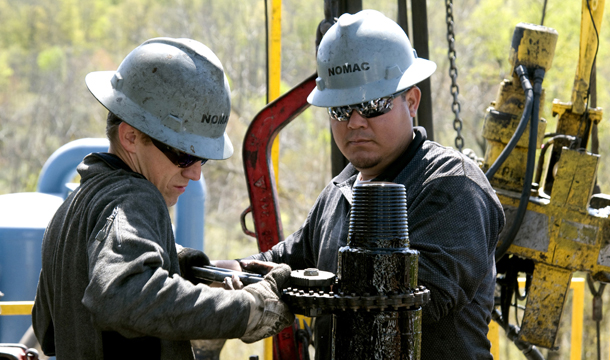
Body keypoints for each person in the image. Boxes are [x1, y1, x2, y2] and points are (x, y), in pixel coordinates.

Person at [223, 10, 505, 359]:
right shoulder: (339, 192)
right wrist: (232, 271)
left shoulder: (453, 186)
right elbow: (286, 259)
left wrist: (294, 285)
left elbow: (415, 298)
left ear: (412, 101)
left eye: (372, 105)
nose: (355, 122)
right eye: (340, 110)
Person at [32, 38, 294, 360]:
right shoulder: (137, 197)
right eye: (184, 155)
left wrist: (179, 265)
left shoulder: (72, 209)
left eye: (203, 159)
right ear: (130, 136)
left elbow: (46, 330)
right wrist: (249, 308)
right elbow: (119, 294)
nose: (195, 173)